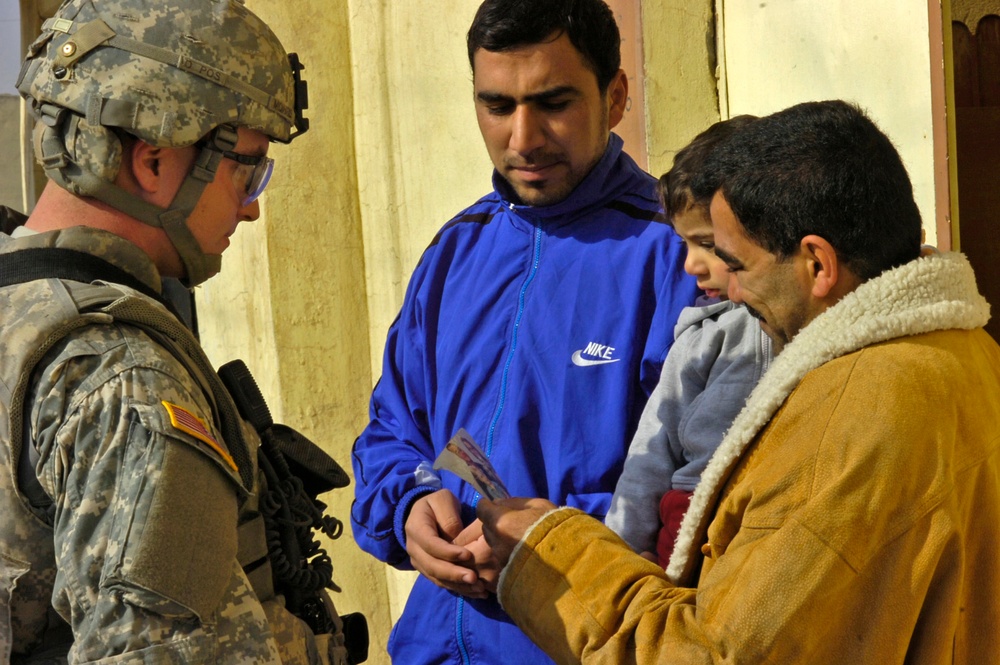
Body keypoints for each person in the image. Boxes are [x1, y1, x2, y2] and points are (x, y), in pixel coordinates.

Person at [477, 99, 1000, 664]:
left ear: (817, 265)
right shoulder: (967, 349)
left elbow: (711, 655)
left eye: (739, 264)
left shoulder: (846, 419)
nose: (731, 291)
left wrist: (551, 552)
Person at [0, 1, 353, 662]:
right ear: (154, 161)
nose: (251, 206)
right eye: (247, 167)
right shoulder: (126, 379)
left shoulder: (19, 313)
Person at [349, 0, 698, 662]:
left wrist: (545, 540)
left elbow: (700, 495)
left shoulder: (678, 259)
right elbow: (392, 432)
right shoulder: (456, 254)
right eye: (498, 106)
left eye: (553, 102)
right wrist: (410, 507)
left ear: (615, 95)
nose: (523, 137)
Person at [604, 115, 773, 567]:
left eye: (708, 244)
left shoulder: (809, 320)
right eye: (685, 245)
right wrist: (619, 556)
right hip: (684, 524)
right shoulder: (699, 336)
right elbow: (649, 458)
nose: (692, 265)